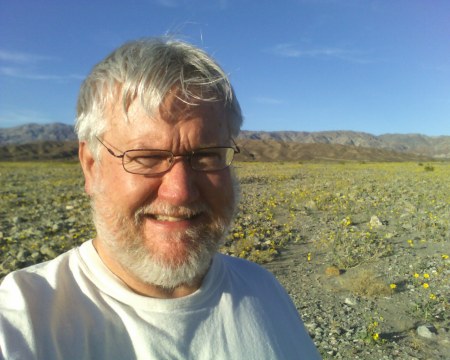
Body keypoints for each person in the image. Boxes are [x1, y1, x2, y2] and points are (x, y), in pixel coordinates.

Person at [0, 37, 320, 359]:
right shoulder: (22, 319)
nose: (179, 191)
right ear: (91, 166)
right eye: (146, 157)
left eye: (206, 155)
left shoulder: (264, 289)